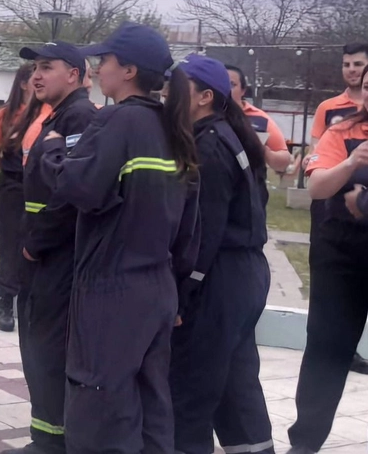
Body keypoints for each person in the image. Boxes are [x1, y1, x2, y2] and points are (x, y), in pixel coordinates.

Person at [39, 22, 200, 453]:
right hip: (158, 288)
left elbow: (80, 187)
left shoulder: (119, 120)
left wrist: (51, 150)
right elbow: (190, 226)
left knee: (100, 406)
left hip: (113, 291)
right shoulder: (173, 128)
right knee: (149, 402)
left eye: (104, 60)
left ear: (128, 70)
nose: (99, 68)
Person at [170, 55, 274, 454]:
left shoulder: (209, 146)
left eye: (178, 87)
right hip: (243, 275)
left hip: (220, 278)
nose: (168, 94)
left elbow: (204, 233)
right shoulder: (229, 135)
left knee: (190, 389)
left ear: (204, 97)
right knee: (235, 386)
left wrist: (184, 292)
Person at [3, 43, 98, 454]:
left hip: (56, 258)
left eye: (47, 67)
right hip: (44, 255)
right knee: (39, 350)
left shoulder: (78, 118)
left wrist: (34, 246)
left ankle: (51, 444)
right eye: (34, 68)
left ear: (74, 75)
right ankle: (45, 438)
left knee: (47, 351)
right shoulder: (57, 116)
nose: (36, 76)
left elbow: (69, 193)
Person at [287, 64, 368, 454]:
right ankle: (304, 443)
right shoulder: (343, 131)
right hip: (342, 255)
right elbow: (317, 186)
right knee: (326, 350)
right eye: (367, 88)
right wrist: (352, 162)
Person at [307, 43, 368, 376]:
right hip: (335, 218)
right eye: (346, 64)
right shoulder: (332, 111)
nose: (351, 70)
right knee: (328, 328)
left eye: (358, 64)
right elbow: (318, 159)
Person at [0, 64, 37, 332]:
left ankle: (32, 302)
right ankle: (6, 300)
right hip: (13, 187)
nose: (40, 79)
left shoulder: (49, 114)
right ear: (23, 83)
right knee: (8, 243)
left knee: (37, 242)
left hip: (41, 188)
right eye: (34, 75)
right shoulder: (5, 116)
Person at [224, 64, 291, 173]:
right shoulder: (204, 113)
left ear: (243, 90)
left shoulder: (260, 119)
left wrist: (264, 152)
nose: (226, 89)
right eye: (222, 84)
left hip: (249, 185)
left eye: (232, 84)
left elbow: (284, 160)